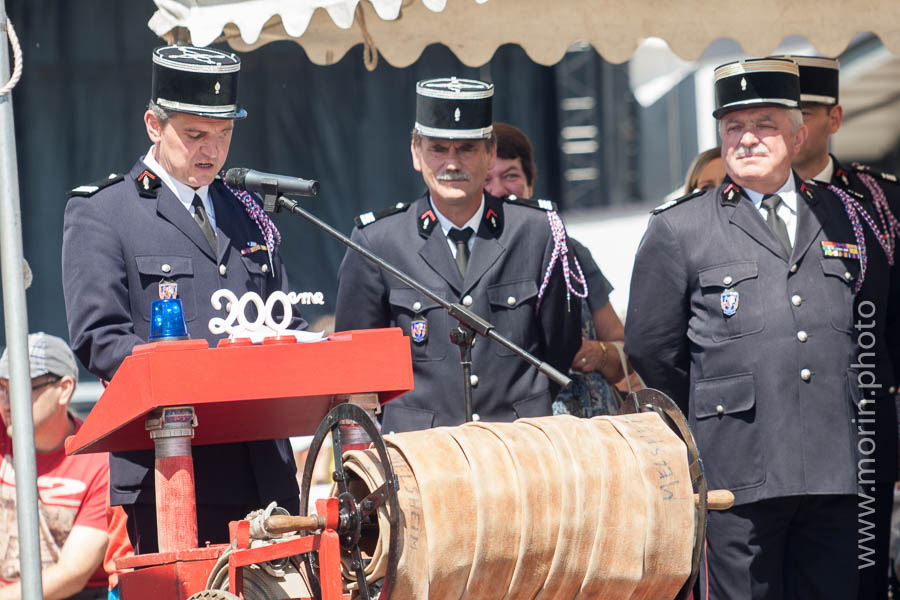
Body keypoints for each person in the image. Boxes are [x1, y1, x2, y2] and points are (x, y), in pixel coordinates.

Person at [625, 57, 884, 599]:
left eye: (764, 124)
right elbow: (653, 351)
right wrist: (714, 419)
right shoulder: (680, 229)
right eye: (733, 127)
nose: (747, 139)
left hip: (834, 466)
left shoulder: (846, 215)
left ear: (798, 134)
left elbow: (873, 330)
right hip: (737, 469)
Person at [61, 46, 302, 554]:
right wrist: (201, 372)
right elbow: (99, 338)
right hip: (172, 469)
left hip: (266, 472)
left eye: (224, 134)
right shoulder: (105, 213)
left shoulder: (248, 210)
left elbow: (283, 315)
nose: (211, 151)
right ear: (153, 124)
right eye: (195, 135)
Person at [334, 78, 582, 432]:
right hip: (422, 454)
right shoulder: (377, 241)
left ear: (490, 153)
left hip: (519, 445)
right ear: (416, 153)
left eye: (466, 148)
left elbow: (560, 344)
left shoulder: (537, 232)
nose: (452, 163)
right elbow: (357, 366)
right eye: (438, 149)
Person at [787, 54, 900, 600]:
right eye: (789, 111)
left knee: (862, 572)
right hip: (776, 427)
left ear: (833, 119)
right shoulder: (734, 206)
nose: (797, 125)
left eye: (808, 111)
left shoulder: (881, 200)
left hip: (869, 416)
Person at [483, 122, 630, 414]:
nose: (498, 190)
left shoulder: (570, 251)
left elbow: (624, 350)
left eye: (510, 176)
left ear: (530, 182)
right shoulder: (465, 264)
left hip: (596, 433)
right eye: (487, 180)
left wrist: (597, 354)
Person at [0, 333, 109, 600]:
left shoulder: (99, 460)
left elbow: (72, 574)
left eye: (20, 386)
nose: (6, 401)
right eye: (2, 387)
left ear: (64, 390)